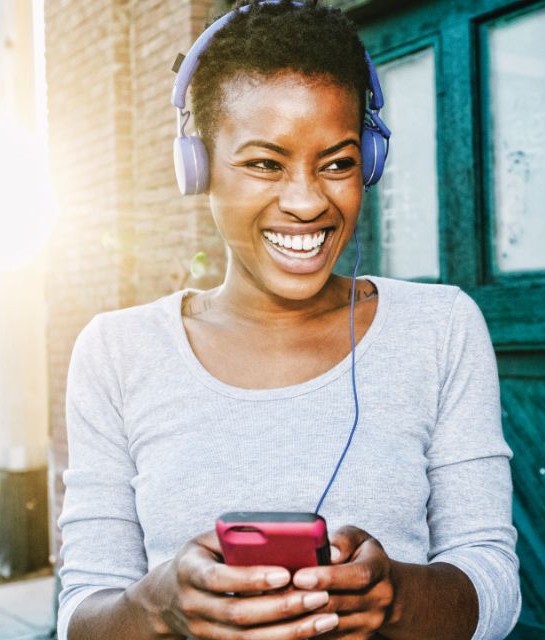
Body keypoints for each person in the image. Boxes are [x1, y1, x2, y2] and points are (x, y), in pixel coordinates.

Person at [56, 1, 520, 638]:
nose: (306, 202)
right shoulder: (116, 350)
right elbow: (81, 614)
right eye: (264, 164)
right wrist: (158, 607)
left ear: (370, 163)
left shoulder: (441, 329)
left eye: (338, 163)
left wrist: (396, 598)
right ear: (197, 167)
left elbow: (494, 585)